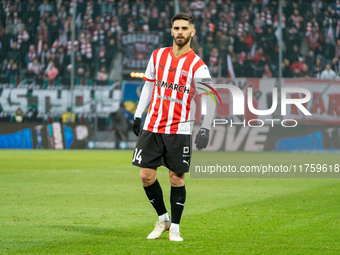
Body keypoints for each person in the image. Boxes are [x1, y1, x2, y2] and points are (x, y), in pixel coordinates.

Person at [132, 13, 215, 242]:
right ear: (171, 31)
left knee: (176, 178)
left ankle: (176, 227)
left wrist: (205, 128)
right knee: (146, 176)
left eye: (184, 28)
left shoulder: (198, 66)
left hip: (179, 129)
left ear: (192, 32)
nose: (180, 32)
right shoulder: (157, 56)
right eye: (176, 28)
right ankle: (163, 218)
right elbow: (148, 87)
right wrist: (139, 115)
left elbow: (208, 99)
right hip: (153, 125)